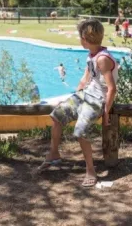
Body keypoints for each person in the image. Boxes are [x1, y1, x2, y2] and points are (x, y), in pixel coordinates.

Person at [38, 19, 118, 188]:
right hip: (85, 96)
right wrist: (71, 99)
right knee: (57, 115)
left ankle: (90, 170)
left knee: (80, 131)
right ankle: (53, 153)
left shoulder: (102, 59)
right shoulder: (92, 55)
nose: (79, 40)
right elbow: (84, 80)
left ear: (85, 38)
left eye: (80, 37)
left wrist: (106, 114)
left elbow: (112, 89)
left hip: (96, 100)